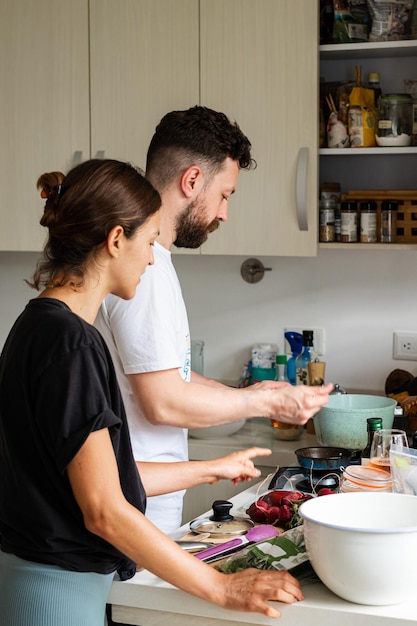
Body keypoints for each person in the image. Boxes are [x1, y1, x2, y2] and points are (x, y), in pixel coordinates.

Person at [0, 158, 305, 625]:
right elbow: (104, 510)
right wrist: (220, 587)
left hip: (43, 580)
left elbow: (98, 476)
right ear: (116, 240)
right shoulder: (71, 344)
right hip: (54, 592)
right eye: (147, 242)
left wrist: (211, 469)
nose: (149, 258)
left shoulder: (39, 324)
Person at [95, 106, 333, 533]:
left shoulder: (153, 260)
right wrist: (265, 403)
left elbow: (170, 374)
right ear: (191, 181)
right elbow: (163, 399)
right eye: (224, 195)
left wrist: (255, 391)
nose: (224, 213)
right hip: (133, 511)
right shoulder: (141, 269)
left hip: (144, 501)